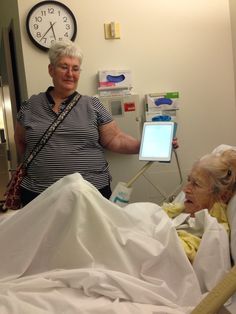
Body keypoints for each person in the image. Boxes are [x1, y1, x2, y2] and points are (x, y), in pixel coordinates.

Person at [14, 40, 142, 206]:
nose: (70, 73)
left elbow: (115, 138)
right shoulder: (31, 106)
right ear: (51, 70)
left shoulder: (92, 105)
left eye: (75, 68)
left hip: (91, 193)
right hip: (39, 195)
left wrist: (145, 146)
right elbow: (20, 141)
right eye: (64, 67)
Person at [162, 148, 236, 262]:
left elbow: (180, 254)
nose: (185, 189)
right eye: (189, 180)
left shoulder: (214, 232)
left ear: (222, 195)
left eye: (196, 184)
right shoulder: (180, 209)